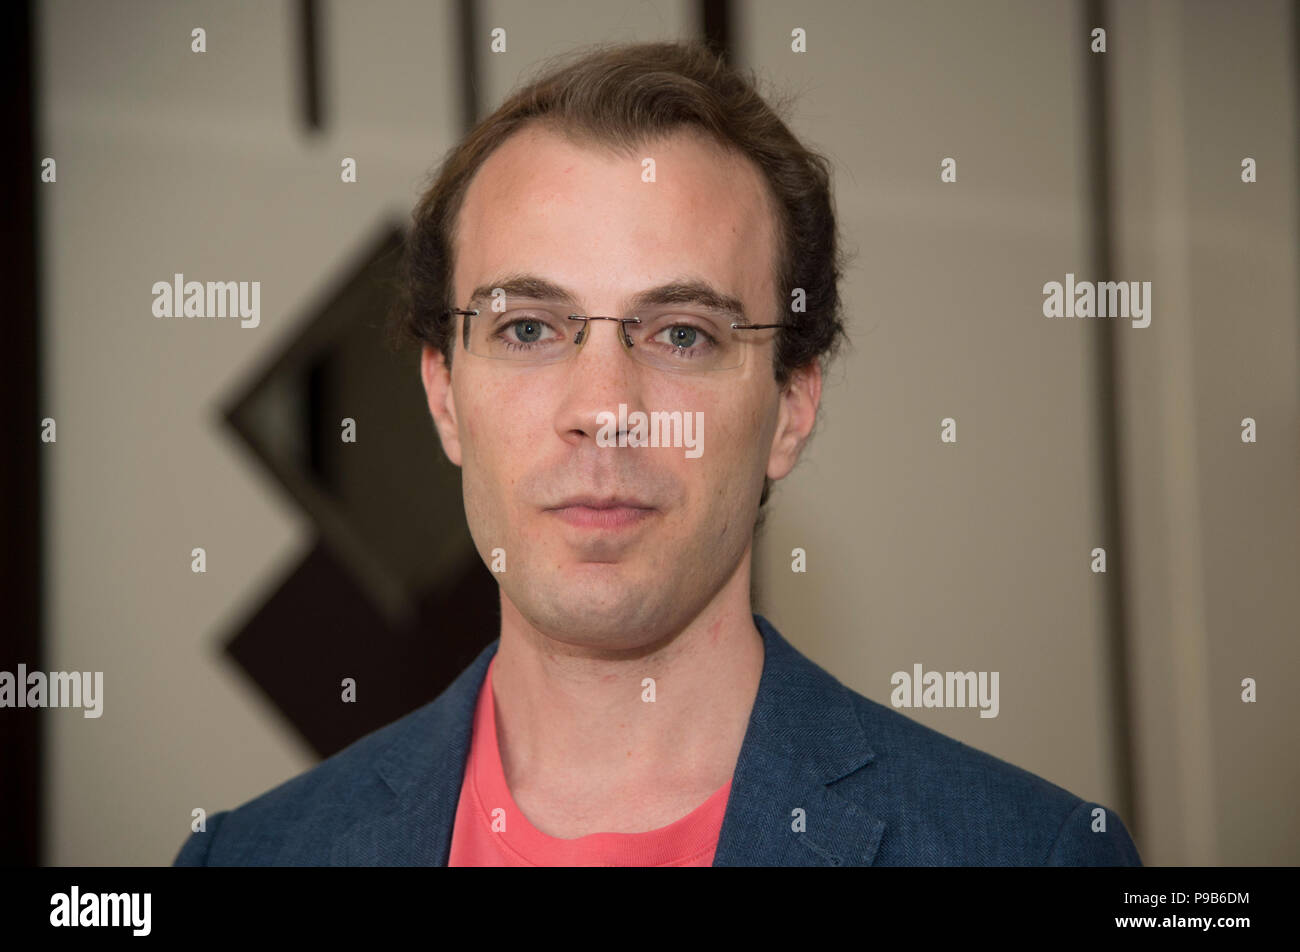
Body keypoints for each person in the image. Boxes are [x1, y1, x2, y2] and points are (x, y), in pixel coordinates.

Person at [174, 41, 1141, 866]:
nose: (604, 410)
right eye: (527, 330)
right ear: (443, 394)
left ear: (792, 407)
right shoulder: (247, 857)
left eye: (681, 334)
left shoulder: (1034, 852)